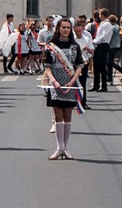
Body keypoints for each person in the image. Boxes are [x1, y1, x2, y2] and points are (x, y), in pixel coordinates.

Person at [44, 17, 84, 160]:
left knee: (68, 117)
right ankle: (59, 148)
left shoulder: (75, 46)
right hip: (56, 85)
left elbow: (79, 66)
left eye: (68, 28)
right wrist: (53, 81)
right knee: (58, 117)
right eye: (63, 27)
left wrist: (73, 81)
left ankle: (65, 148)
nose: (66, 30)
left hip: (70, 85)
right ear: (58, 28)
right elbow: (47, 67)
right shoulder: (51, 46)